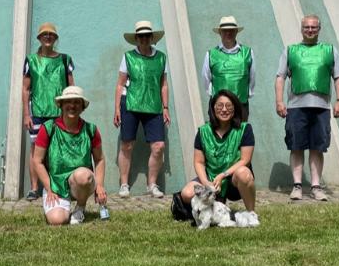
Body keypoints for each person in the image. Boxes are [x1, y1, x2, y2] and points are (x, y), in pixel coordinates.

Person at [274, 14, 339, 201]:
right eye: (306, 27)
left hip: (321, 107)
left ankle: (316, 186)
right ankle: (297, 186)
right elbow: (280, 77)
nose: (310, 30)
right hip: (296, 107)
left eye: (313, 27)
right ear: (301, 29)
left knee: (318, 147)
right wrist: (279, 101)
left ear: (319, 29)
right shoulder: (290, 51)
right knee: (296, 146)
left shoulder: (330, 50)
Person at [31, 86, 107, 225]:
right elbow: (37, 161)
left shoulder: (91, 130)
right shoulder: (48, 128)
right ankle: (61, 206)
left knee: (82, 176)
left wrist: (100, 185)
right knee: (57, 220)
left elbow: (100, 159)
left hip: (81, 181)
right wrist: (49, 188)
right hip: (56, 183)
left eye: (77, 102)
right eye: (68, 102)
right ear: (61, 105)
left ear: (82, 107)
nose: (72, 105)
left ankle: (80, 207)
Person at [114, 20, 170, 198]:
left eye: (147, 35)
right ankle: (124, 184)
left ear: (152, 38)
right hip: (130, 104)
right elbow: (120, 84)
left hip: (153, 106)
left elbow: (163, 85)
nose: (144, 39)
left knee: (159, 146)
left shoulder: (161, 57)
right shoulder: (128, 57)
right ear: (136, 38)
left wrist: (166, 107)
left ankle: (151, 184)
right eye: (141, 36)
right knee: (127, 145)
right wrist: (116, 109)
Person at [179, 90, 256, 213]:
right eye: (220, 105)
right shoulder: (203, 131)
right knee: (186, 194)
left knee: (244, 174)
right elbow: (199, 162)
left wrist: (223, 175)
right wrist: (205, 182)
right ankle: (212, 209)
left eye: (229, 106)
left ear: (234, 108)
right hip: (210, 178)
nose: (224, 110)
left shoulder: (244, 129)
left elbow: (245, 160)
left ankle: (251, 213)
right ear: (213, 108)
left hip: (233, 179)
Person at [22, 22, 75, 200]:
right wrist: (26, 114)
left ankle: (57, 185)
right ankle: (35, 188)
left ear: (55, 38)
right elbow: (26, 89)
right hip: (37, 111)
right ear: (39, 38)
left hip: (60, 112)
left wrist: (73, 109)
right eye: (44, 34)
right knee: (35, 149)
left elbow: (71, 88)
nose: (48, 37)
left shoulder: (65, 59)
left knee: (58, 150)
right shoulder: (31, 60)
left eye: (51, 34)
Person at [201, 16, 255, 119]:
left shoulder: (248, 53)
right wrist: (215, 96)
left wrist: (245, 94)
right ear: (220, 33)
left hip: (240, 106)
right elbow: (206, 79)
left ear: (236, 32)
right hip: (218, 108)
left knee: (240, 134)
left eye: (231, 30)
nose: (228, 33)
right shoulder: (211, 54)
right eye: (225, 31)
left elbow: (252, 78)